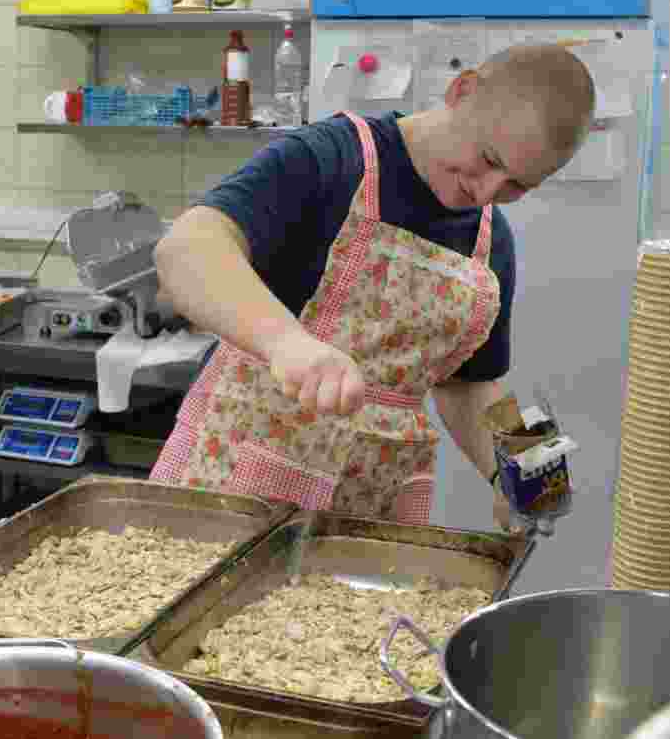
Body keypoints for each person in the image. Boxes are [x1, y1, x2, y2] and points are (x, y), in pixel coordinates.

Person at [151, 43, 595, 531]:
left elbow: (470, 384)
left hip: (365, 513)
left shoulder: (492, 246)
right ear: (462, 91)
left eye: (518, 185)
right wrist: (287, 343)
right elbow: (187, 248)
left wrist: (520, 468)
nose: (488, 192)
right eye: (488, 158)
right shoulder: (330, 160)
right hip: (235, 488)